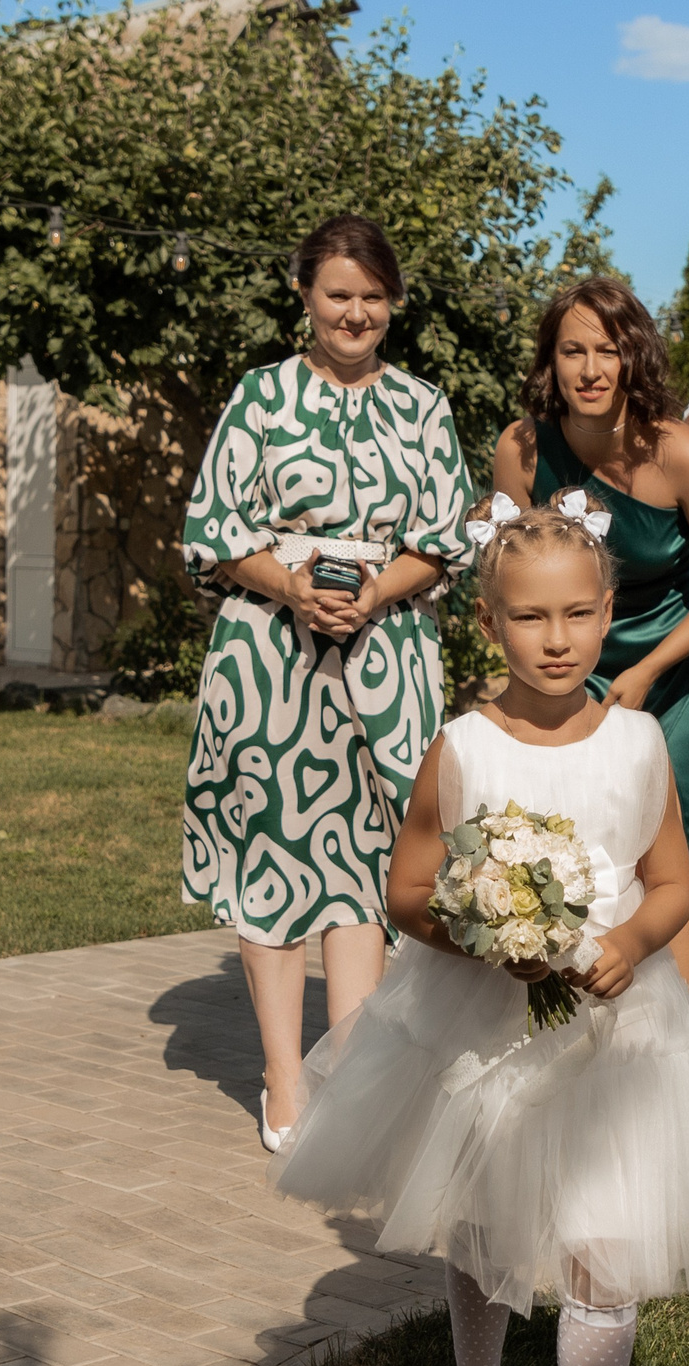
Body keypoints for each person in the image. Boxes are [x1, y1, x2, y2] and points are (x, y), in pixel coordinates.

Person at [271, 493, 689, 1366]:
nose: (559, 638)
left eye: (578, 614)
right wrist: (484, 930)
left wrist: (630, 939)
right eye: (531, 619)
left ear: (610, 611)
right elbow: (407, 892)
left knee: (606, 1248)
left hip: (617, 1035)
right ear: (489, 624)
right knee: (480, 1228)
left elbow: (674, 880)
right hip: (482, 1025)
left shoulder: (637, 740)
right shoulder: (463, 749)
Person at [180, 215, 474, 1153]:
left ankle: (347, 1070)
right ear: (305, 294)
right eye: (338, 294)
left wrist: (375, 592)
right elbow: (213, 525)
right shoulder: (259, 397)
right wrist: (294, 588)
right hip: (269, 655)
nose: (356, 313)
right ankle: (281, 1078)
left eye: (373, 297)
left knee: (365, 858)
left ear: (394, 304)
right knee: (271, 855)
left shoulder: (424, 407)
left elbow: (446, 536)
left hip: (386, 657)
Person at [492, 278, 689, 993]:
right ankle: (574, 1007)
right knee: (575, 837)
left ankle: (680, 1029)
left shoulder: (679, 452)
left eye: (606, 350)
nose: (589, 368)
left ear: (632, 357)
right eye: (571, 350)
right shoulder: (520, 449)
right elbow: (508, 578)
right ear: (549, 362)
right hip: (570, 669)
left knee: (675, 855)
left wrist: (648, 672)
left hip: (682, 675)